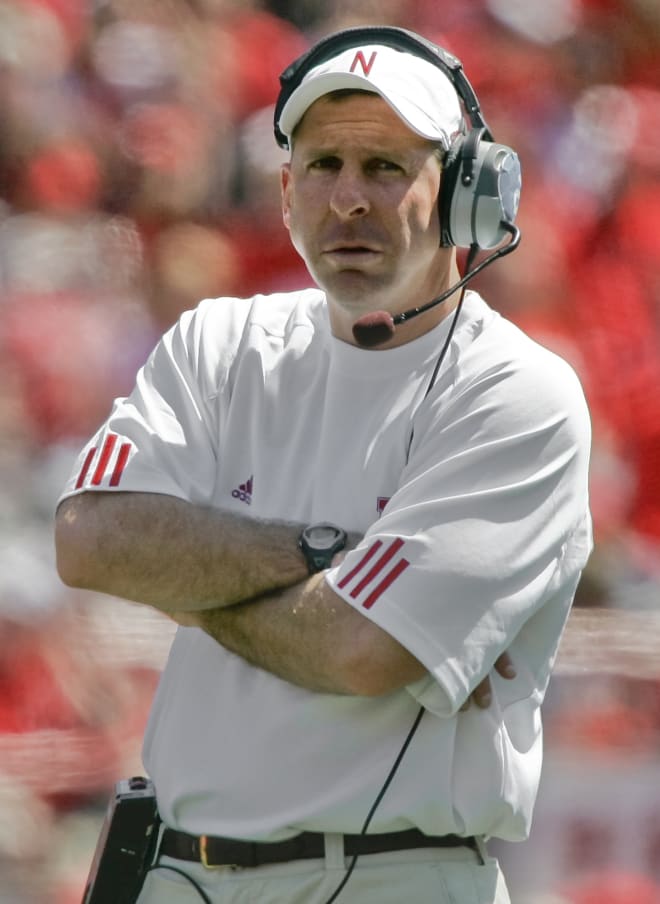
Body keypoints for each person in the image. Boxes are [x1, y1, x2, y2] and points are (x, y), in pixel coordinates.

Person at [54, 25, 592, 904]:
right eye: (324, 164)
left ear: (467, 193)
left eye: (387, 168)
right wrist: (322, 552)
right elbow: (88, 537)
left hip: (394, 877)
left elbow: (357, 649)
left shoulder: (519, 393)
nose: (348, 199)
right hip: (177, 872)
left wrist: (187, 576)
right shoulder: (217, 341)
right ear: (286, 190)